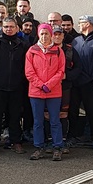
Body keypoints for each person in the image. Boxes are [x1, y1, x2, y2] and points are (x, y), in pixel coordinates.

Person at [0, 18, 29, 154]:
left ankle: (16, 142)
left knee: (15, 116)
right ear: (2, 28)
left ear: (17, 28)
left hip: (16, 87)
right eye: (6, 27)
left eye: (11, 26)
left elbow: (26, 66)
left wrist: (21, 80)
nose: (8, 29)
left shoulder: (23, 45)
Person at [25, 23, 65, 161]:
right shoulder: (31, 51)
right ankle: (39, 147)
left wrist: (49, 84)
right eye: (42, 33)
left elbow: (61, 71)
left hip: (54, 92)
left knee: (55, 121)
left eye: (46, 33)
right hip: (36, 92)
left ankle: (57, 147)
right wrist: (41, 85)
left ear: (51, 35)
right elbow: (29, 72)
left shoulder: (58, 51)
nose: (44, 36)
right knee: (38, 122)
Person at [68, 15, 93, 149]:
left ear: (88, 24)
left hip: (90, 83)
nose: (79, 25)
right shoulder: (76, 41)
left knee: (92, 112)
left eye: (81, 22)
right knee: (73, 111)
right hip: (75, 83)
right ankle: (72, 136)